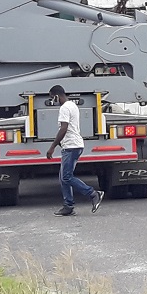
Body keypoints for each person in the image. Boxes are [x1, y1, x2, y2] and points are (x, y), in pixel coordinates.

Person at [45, 85, 103, 217]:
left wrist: (52, 146)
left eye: (52, 98)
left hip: (71, 146)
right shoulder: (72, 105)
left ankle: (93, 194)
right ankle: (68, 206)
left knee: (66, 176)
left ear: (56, 95)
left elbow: (64, 128)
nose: (52, 101)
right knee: (63, 177)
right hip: (73, 145)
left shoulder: (64, 108)